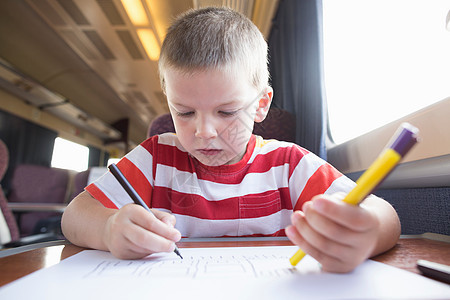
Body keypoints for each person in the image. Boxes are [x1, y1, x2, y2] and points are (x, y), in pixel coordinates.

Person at [61, 7, 400, 273]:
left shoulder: (289, 164)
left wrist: (366, 231)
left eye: (226, 112)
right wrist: (108, 229)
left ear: (261, 105)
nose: (204, 131)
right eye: (184, 112)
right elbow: (74, 216)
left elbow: (382, 214)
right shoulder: (154, 159)